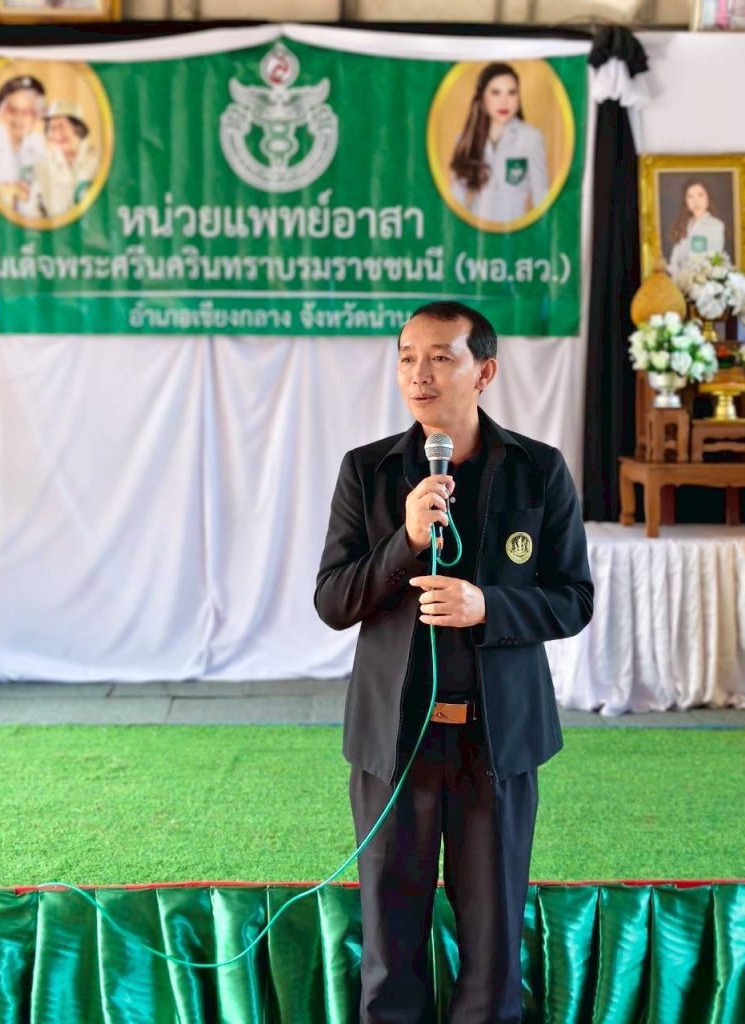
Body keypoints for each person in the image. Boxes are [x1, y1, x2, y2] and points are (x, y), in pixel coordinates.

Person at [314, 300, 593, 1024]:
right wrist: (404, 542)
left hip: (496, 745)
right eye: (407, 357)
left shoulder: (538, 470)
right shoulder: (368, 471)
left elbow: (574, 601)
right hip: (394, 745)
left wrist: (487, 605)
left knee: (493, 955)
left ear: (484, 372)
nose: (419, 374)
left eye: (441, 357)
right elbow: (333, 601)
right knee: (389, 951)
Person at [449, 62, 549, 223]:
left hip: (515, 231)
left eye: (512, 93)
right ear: (482, 97)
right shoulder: (465, 139)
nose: (504, 101)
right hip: (477, 232)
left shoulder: (531, 138)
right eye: (496, 93)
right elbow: (455, 200)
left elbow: (541, 194)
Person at [19, 100, 98, 219]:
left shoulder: (97, 160)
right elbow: (32, 210)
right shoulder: (42, 165)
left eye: (62, 126)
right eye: (52, 128)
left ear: (78, 128)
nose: (57, 134)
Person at [0, 74, 47, 210]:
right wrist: (3, 189)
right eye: (12, 110)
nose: (18, 118)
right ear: (0, 112)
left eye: (27, 112)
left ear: (37, 116)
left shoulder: (40, 148)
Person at [667, 178, 726, 277]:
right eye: (690, 196)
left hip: (704, 281)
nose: (696, 201)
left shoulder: (716, 226)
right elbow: (674, 261)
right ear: (685, 201)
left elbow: (714, 261)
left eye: (700, 195)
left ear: (708, 199)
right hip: (679, 281)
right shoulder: (683, 224)